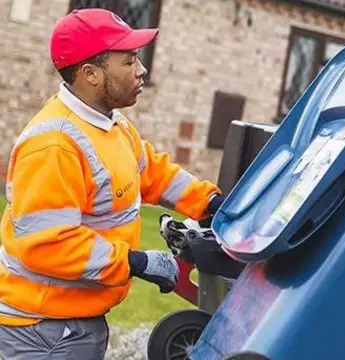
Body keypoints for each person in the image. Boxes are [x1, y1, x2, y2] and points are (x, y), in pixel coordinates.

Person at [0, 8, 225, 360]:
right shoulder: (54, 144)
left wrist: (212, 204)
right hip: (41, 330)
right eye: (129, 60)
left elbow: (153, 173)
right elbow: (47, 244)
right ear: (89, 73)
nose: (142, 69)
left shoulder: (111, 126)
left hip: (73, 320)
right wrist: (138, 263)